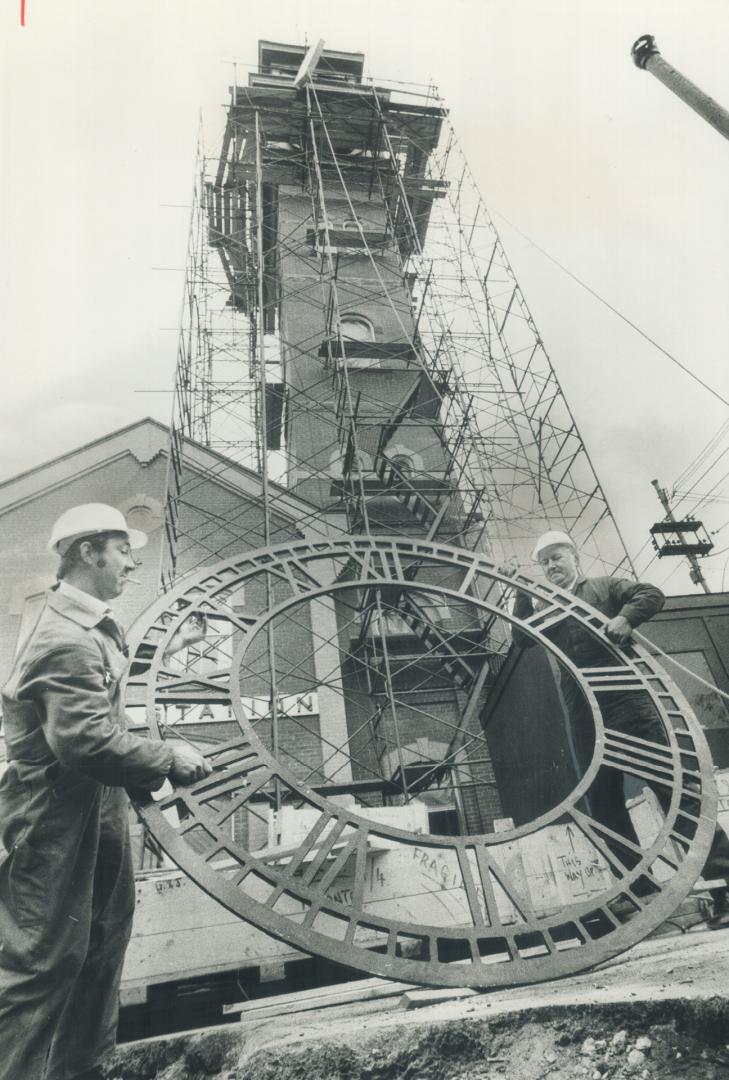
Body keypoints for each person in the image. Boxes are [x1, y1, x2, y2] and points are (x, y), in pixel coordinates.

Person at [0, 503, 212, 1080]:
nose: (131, 562)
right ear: (88, 552)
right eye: (121, 550)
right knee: (42, 966)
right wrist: (168, 756)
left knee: (98, 954)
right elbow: (85, 741)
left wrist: (173, 645)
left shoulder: (88, 625)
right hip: (53, 818)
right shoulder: (62, 638)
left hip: (97, 810)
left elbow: (105, 681)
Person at [507, 529, 729, 929]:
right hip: (584, 714)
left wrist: (626, 618)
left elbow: (651, 593)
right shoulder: (548, 605)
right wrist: (521, 594)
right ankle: (640, 897)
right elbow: (522, 638)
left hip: (632, 705)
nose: (552, 566)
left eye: (557, 557)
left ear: (574, 557)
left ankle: (723, 884)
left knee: (676, 790)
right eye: (544, 563)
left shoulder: (605, 587)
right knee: (601, 804)